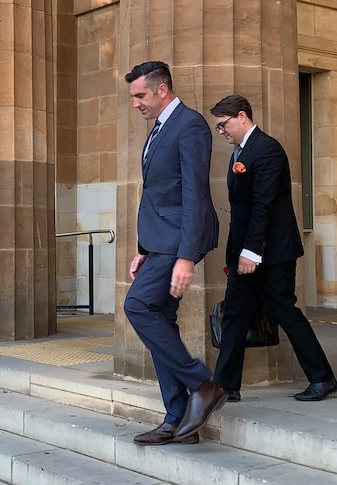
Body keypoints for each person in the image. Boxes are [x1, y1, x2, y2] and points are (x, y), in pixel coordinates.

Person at [209, 94, 337, 403]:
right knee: (235, 316)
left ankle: (323, 379)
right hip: (247, 252)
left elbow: (262, 206)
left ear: (242, 117)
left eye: (223, 125)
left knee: (285, 313)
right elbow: (241, 210)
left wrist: (252, 251)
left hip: (272, 254)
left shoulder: (267, 150)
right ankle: (225, 386)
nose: (222, 132)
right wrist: (239, 252)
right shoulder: (239, 152)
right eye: (218, 128)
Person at [123, 61, 226, 445]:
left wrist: (185, 257)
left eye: (140, 95)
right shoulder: (158, 129)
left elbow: (194, 193)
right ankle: (177, 420)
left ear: (162, 89)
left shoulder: (189, 124)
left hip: (178, 241)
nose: (135, 103)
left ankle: (203, 384)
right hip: (160, 242)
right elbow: (159, 193)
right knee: (160, 317)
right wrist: (145, 250)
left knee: (138, 306)